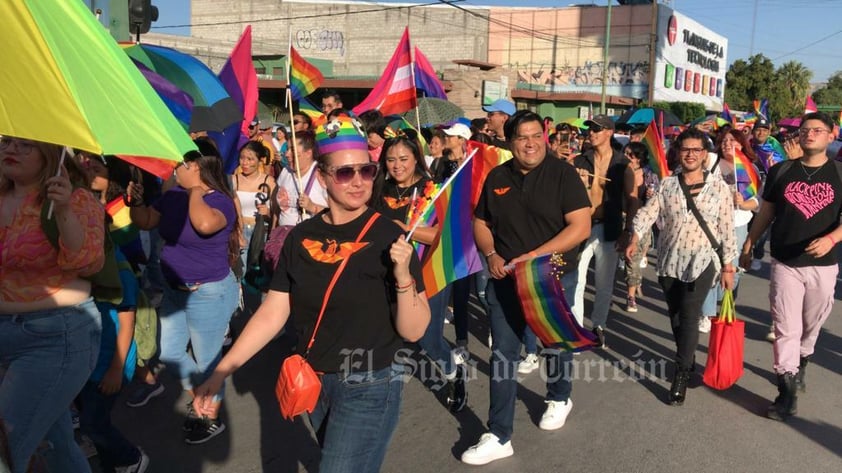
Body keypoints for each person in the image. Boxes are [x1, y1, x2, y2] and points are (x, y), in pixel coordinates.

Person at [192, 115, 430, 472]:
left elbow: (414, 330)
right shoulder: (301, 237)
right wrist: (220, 372)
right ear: (322, 177)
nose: (358, 182)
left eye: (366, 171)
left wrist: (402, 275)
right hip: (315, 379)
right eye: (345, 173)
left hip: (371, 381)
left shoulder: (388, 236)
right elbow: (274, 312)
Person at [463, 111, 590, 465]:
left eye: (536, 136)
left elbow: (579, 227)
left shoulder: (563, 174)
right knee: (504, 354)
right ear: (510, 141)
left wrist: (535, 255)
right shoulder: (497, 176)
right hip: (505, 278)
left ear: (544, 138)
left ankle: (559, 395)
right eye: (522, 137)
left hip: (553, 274)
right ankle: (499, 433)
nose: (530, 144)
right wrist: (489, 253)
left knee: (554, 342)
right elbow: (481, 221)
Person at [0, 137, 105, 472]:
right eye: (6, 142)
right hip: (5, 336)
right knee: (54, 445)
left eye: (24, 146)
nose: (10, 150)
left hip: (55, 337)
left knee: (8, 446)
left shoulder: (76, 199)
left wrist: (63, 211)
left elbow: (88, 262)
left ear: (49, 155)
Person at [128, 140, 240, 444]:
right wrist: (136, 202)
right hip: (174, 288)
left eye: (179, 164)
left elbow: (203, 225)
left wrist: (194, 190)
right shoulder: (174, 194)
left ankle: (210, 416)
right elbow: (147, 220)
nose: (173, 169)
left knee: (208, 362)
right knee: (169, 351)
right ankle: (202, 399)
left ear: (196, 167)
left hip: (208, 294)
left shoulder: (220, 201)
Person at [740, 112, 842, 422]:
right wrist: (749, 243)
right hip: (785, 261)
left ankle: (804, 359)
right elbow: (766, 212)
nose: (809, 135)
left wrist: (832, 239)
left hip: (824, 265)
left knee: (811, 324)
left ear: (831, 135)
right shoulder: (781, 171)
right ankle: (786, 390)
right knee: (786, 326)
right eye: (805, 130)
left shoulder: (839, 174)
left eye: (817, 130)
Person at [626, 128, 736, 406]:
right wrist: (635, 236)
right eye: (685, 149)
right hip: (670, 259)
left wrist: (728, 266)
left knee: (688, 314)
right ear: (677, 152)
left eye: (696, 150)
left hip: (702, 260)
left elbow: (726, 228)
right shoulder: (667, 185)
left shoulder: (719, 188)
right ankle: (687, 356)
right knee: (676, 316)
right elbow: (648, 212)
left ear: (704, 155)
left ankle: (681, 374)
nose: (690, 155)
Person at [572, 114, 628, 348]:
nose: (591, 133)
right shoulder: (579, 161)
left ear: (609, 132)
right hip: (583, 226)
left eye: (597, 129)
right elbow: (571, 199)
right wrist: (581, 184)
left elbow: (631, 200)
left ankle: (598, 325)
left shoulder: (621, 164)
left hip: (610, 226)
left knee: (604, 283)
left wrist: (629, 231)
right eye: (590, 129)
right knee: (576, 280)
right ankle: (575, 330)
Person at [698, 129, 759, 332]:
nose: (727, 143)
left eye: (732, 140)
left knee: (731, 268)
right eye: (723, 140)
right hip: (712, 224)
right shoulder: (713, 161)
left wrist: (742, 203)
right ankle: (707, 314)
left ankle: (726, 300)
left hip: (738, 224)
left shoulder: (751, 170)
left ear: (742, 145)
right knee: (710, 266)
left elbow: (757, 203)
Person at [621, 142, 659, 313]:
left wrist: (652, 194)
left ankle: (631, 296)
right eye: (625, 153)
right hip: (620, 218)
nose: (627, 157)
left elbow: (657, 200)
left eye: (631, 155)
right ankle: (633, 284)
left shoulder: (650, 175)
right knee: (627, 258)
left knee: (633, 259)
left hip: (640, 221)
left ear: (639, 158)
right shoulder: (618, 172)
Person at [232, 141, 276, 278]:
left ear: (260, 160)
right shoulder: (234, 180)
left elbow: (276, 213)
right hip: (240, 230)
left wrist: (267, 212)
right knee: (239, 272)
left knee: (257, 274)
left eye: (250, 159)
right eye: (242, 158)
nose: (244, 163)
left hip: (260, 231)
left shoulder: (269, 181)